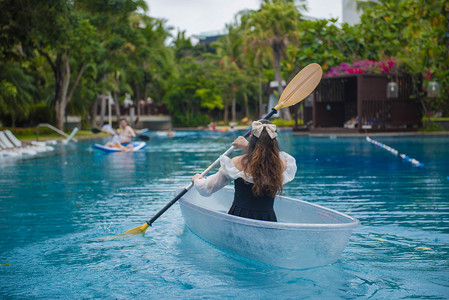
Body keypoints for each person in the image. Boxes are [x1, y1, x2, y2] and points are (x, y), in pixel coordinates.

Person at [192, 120, 297, 222]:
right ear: (275, 141)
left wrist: (197, 180)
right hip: (267, 221)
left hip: (238, 218)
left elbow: (207, 189)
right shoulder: (283, 165)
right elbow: (266, 156)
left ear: (251, 138)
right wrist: (248, 146)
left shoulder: (237, 163)